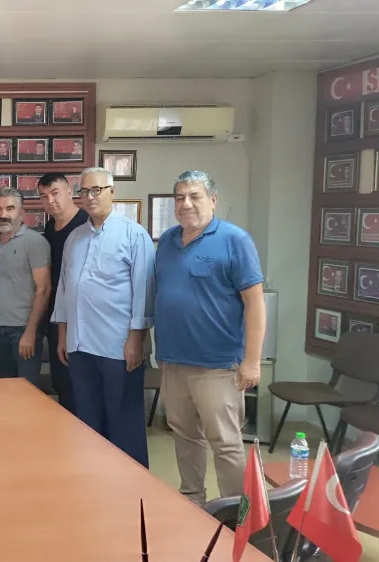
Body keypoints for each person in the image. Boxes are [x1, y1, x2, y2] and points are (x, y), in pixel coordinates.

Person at [154, 171, 265, 506]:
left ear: (213, 200)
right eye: (180, 197)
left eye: (195, 196)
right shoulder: (168, 241)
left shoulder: (235, 240)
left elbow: (255, 303)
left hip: (217, 365)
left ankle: (238, 513)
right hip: (174, 361)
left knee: (226, 443)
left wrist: (252, 361)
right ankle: (193, 501)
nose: (186, 204)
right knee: (185, 435)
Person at [52, 167, 154, 467]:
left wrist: (136, 340)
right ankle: (93, 478)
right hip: (79, 345)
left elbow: (144, 293)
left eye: (97, 190)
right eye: (84, 191)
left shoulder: (134, 234)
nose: (90, 196)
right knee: (87, 421)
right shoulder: (75, 238)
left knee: (124, 421)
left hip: (117, 347)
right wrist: (62, 335)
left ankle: (131, 482)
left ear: (112, 192)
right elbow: (64, 289)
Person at [0, 186, 52, 389]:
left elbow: (44, 289)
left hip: (24, 330)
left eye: (10, 208)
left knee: (27, 392)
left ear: (22, 212)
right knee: (4, 392)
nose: (3, 214)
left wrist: (30, 332)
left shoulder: (35, 242)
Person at [39, 173, 88, 414]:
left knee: (83, 385)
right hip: (56, 315)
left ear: (70, 192)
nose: (50, 200)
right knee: (63, 382)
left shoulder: (86, 223)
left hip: (84, 318)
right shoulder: (49, 228)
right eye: (44, 196)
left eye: (55, 193)